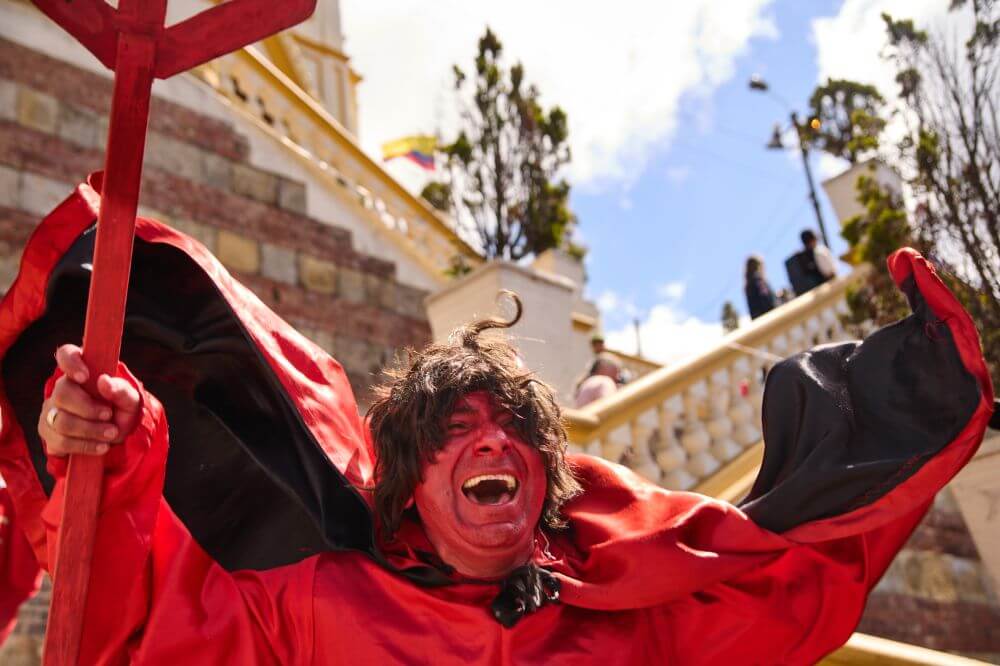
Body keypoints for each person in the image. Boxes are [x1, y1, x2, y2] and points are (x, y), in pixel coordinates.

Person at [0, 184, 994, 664]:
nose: (489, 441)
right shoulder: (313, 605)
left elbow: (787, 579)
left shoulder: (626, 625)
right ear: (407, 483)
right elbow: (138, 632)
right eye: (450, 427)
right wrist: (115, 455)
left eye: (514, 424)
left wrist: (908, 408)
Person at [786, 229, 838, 296]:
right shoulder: (818, 251)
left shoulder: (801, 258)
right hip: (829, 289)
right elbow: (830, 272)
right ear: (813, 239)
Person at [744, 254, 778, 319]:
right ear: (758, 266)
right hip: (770, 317)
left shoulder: (748, 284)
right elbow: (766, 298)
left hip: (759, 320)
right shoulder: (758, 280)